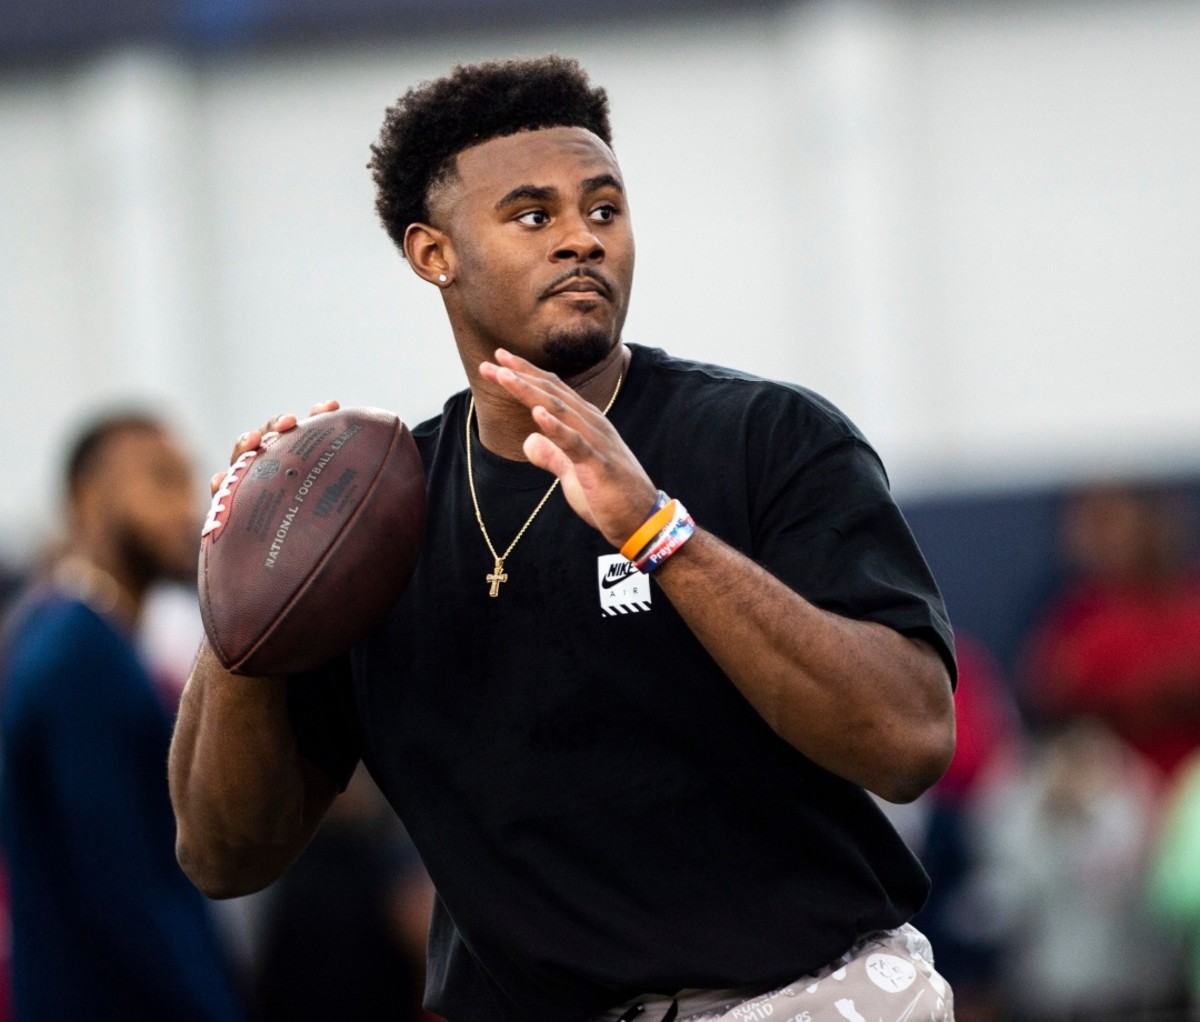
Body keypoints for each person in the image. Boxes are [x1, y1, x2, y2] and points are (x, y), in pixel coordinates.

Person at [169, 56, 958, 1022]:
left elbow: (910, 741)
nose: (582, 239)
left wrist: (661, 533)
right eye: (534, 216)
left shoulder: (768, 437)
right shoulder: (377, 521)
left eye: (605, 209)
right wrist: (242, 603)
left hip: (803, 994)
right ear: (433, 254)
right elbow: (221, 856)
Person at [0, 411, 248, 1022]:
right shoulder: (78, 657)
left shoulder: (87, 637)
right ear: (87, 499)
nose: (184, 506)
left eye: (187, 480)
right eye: (159, 481)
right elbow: (123, 888)